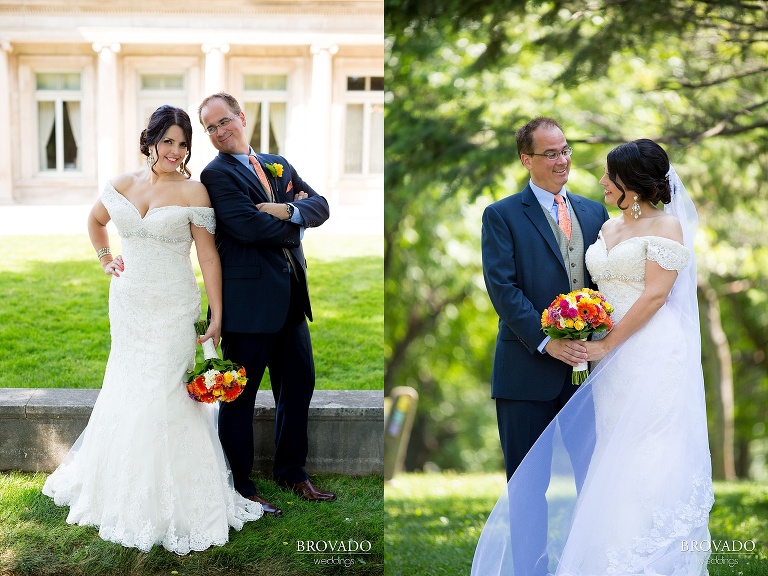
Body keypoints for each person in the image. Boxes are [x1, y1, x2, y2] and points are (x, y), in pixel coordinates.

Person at [472, 139, 714, 575]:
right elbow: (504, 289)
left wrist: (601, 343)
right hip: (554, 364)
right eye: (553, 153)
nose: (570, 162)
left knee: (631, 459)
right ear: (527, 159)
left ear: (631, 183)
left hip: (635, 354)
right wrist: (555, 338)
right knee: (536, 483)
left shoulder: (604, 215)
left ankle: (635, 558)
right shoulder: (512, 215)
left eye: (566, 150)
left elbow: (656, 295)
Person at [42, 105, 263, 555]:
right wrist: (106, 258)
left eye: (184, 144)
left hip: (174, 306)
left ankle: (180, 501)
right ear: (151, 141)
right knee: (127, 387)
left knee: (167, 393)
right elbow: (96, 221)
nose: (177, 151)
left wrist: (216, 314)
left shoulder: (194, 191)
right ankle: (118, 487)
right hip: (128, 304)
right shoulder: (123, 184)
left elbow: (207, 258)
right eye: (169, 141)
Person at [197, 93, 334, 517]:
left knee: (299, 387)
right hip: (248, 305)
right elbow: (246, 226)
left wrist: (286, 208)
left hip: (291, 300)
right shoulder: (215, 175)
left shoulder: (278, 163)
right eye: (210, 128)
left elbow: (321, 206)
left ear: (242, 117)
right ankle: (241, 484)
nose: (219, 132)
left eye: (224, 122)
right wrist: (295, 224)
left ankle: (292, 472)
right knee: (239, 397)